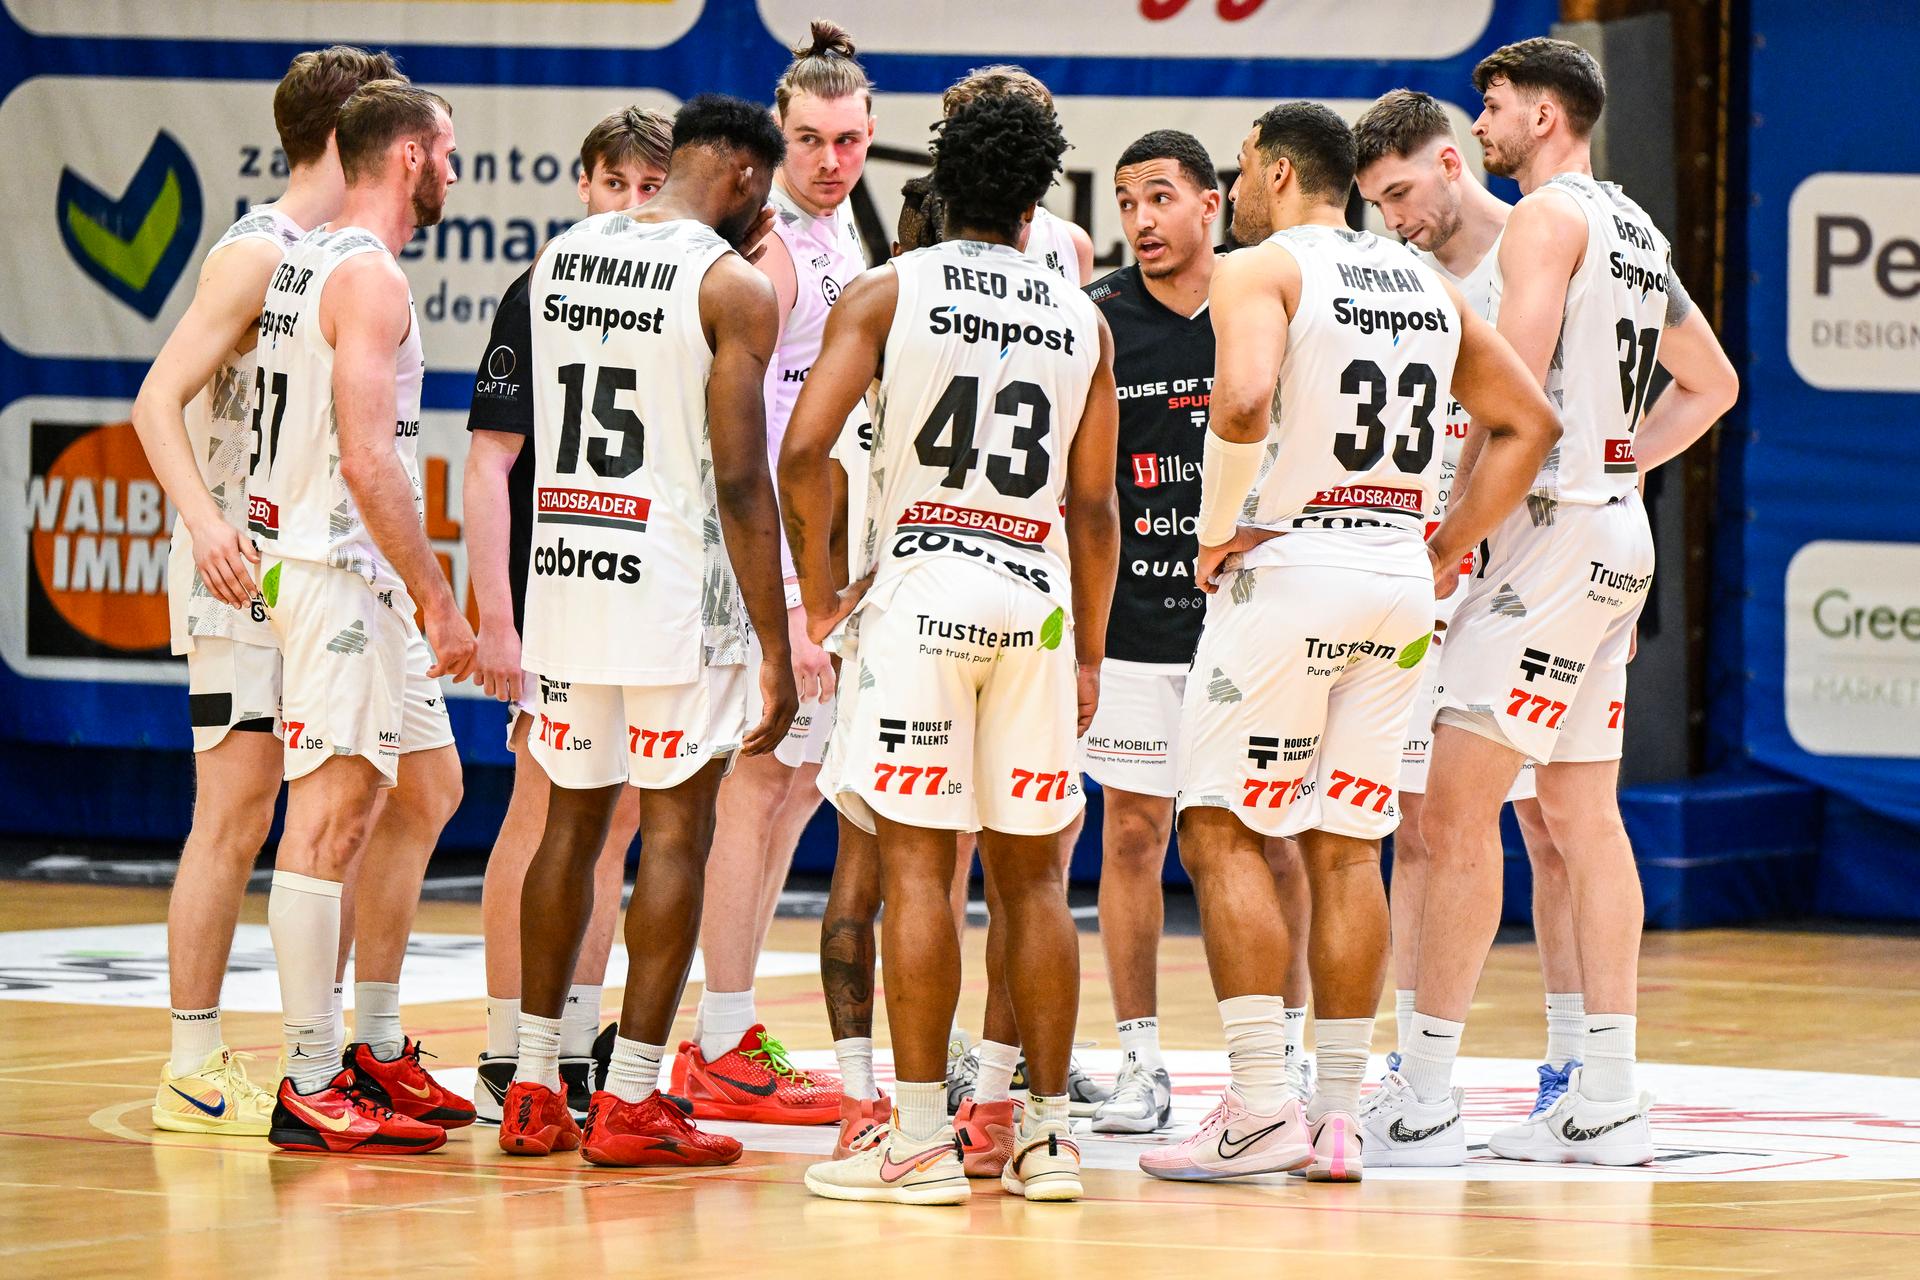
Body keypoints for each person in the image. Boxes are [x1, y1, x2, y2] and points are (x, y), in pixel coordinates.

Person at [1141, 101, 1559, 1185]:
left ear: (1278, 174)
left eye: (1237, 171)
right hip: (1391, 580)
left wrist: (1217, 525)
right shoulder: (1426, 281)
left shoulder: (1260, 267)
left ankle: (1254, 1106)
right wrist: (1444, 547)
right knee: (1347, 846)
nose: (1232, 191)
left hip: (1293, 565)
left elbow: (1239, 404)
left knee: (1222, 831)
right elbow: (1529, 424)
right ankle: (1335, 1116)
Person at [1366, 39, 1738, 1168]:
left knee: (1450, 813)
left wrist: (1452, 535)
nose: (1482, 122)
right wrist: (1618, 469)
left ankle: (1423, 1093)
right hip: (1611, 532)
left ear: (1543, 110)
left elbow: (1511, 396)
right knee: (1580, 816)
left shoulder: (1543, 218)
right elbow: (1711, 382)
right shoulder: (1634, 223)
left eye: (1492, 105)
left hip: (1548, 540)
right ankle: (1603, 1091)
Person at [783, 91, 1119, 1205]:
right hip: (1037, 596)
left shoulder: (888, 288)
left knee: (921, 872)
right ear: (1035, 206)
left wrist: (826, 595)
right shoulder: (1084, 317)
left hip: (925, 588)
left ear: (938, 185)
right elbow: (1095, 509)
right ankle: (1046, 1136)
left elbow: (803, 450)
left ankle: (920, 1138)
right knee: (1038, 884)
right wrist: (1090, 654)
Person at [495, 94, 798, 1169]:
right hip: (673, 592)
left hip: (568, 582)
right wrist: (773, 640)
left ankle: (532, 1083)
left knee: (567, 830)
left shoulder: (562, 255)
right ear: (747, 179)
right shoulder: (732, 282)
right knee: (673, 836)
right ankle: (629, 1097)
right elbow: (737, 477)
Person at [132, 44, 399, 1138]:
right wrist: (204, 525)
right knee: (235, 816)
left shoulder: (337, 254)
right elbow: (156, 397)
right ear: (347, 138)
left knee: (373, 798)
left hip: (313, 564)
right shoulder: (259, 252)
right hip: (241, 572)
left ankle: (330, 1049)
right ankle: (195, 1061)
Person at [245, 78, 478, 1153]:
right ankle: (306, 1074)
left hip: (344, 568)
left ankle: (374, 1042)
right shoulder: (370, 278)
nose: (453, 169)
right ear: (407, 159)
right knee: (332, 816)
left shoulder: (312, 255)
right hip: (337, 570)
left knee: (429, 785)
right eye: (445, 151)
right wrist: (438, 593)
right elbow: (363, 454)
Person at [1351, 88, 1583, 1125]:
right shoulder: (1392, 279)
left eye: (1400, 191)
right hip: (1427, 570)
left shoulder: (1542, 249)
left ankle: (1576, 1056)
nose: (1392, 217)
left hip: (1534, 562)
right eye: (1374, 202)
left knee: (1553, 821)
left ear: (1452, 161)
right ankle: (1415, 1055)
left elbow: (1688, 381)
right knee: (1418, 823)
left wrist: (1601, 486)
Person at [1079, 130, 1314, 1136]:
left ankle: (1286, 1060)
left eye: (1161, 197)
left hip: (1255, 621)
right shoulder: (1098, 323)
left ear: (1212, 203)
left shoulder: (1264, 307)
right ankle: (1141, 1063)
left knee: (1276, 839)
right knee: (1132, 833)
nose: (1141, 220)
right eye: (1127, 201)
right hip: (1135, 622)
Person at [673, 21, 875, 1125]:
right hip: (772, 573)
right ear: (778, 139)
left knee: (793, 792)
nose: (831, 160)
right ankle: (716, 1037)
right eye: (810, 140)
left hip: (825, 567)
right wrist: (791, 607)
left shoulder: (848, 237)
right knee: (756, 789)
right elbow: (741, 446)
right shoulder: (771, 253)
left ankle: (728, 1025)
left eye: (848, 139)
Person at [464, 106, 674, 1124]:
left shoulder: (680, 288)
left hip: (644, 593)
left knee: (619, 815)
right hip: (559, 590)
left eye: (651, 188)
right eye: (616, 184)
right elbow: (489, 461)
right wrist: (494, 618)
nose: (632, 204)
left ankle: (573, 1034)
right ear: (582, 186)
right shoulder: (538, 286)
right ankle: (511, 1042)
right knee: (544, 811)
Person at [933, 63, 1110, 1131]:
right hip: (1024, 572)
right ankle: (972, 1075)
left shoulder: (1068, 263)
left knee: (985, 853)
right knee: (976, 853)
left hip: (960, 561)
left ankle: (987, 1073)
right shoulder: (930, 248)